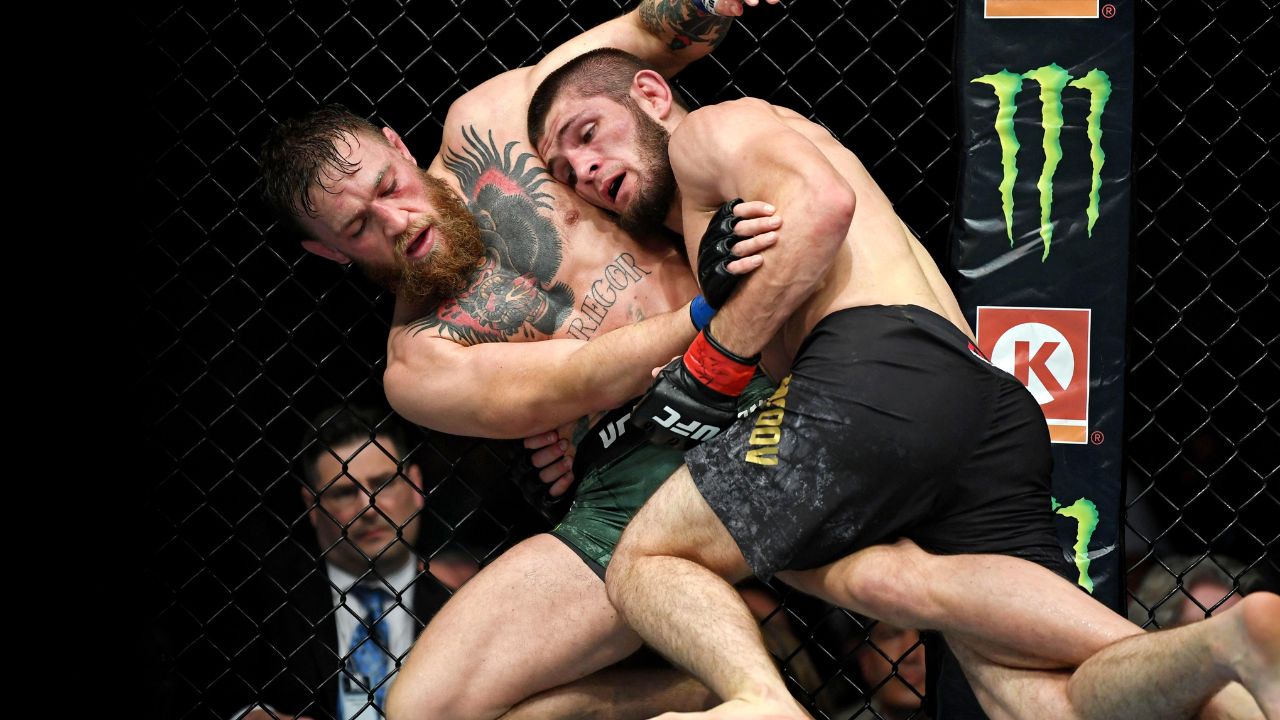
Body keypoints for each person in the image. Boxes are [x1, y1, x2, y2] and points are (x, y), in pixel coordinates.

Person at [528, 47, 1279, 718]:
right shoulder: (710, 223)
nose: (584, 170)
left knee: (648, 559)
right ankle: (1221, 652)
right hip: (974, 397)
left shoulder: (710, 130)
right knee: (1035, 701)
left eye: (588, 133)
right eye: (564, 173)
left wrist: (712, 363)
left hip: (874, 368)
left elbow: (822, 209)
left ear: (653, 96)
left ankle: (759, 701)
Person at [257, 3, 791, 718]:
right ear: (329, 252)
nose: (398, 220)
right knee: (423, 708)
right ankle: (704, 695)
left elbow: (651, 34)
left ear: (396, 143)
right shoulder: (419, 361)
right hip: (640, 475)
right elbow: (580, 378)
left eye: (389, 186)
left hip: (766, 358)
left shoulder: (495, 117)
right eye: (360, 226)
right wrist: (704, 312)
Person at [227, 403, 467, 720]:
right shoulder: (265, 603)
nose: (369, 508)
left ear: (416, 485)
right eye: (343, 492)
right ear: (312, 506)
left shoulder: (458, 612)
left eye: (383, 482)